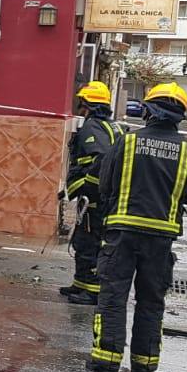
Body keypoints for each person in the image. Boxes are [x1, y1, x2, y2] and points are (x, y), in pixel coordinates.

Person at [86, 83, 187, 372]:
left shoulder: (127, 142)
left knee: (113, 295)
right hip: (162, 239)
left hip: (122, 232)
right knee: (151, 301)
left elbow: (105, 183)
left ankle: (107, 359)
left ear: (148, 110)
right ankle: (145, 363)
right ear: (179, 115)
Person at [60, 81, 123, 305]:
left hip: (95, 199)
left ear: (87, 104)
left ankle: (92, 290)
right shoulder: (112, 126)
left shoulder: (92, 127)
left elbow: (102, 160)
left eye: (81, 102)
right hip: (105, 196)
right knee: (83, 239)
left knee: (90, 242)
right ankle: (80, 283)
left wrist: (86, 187)